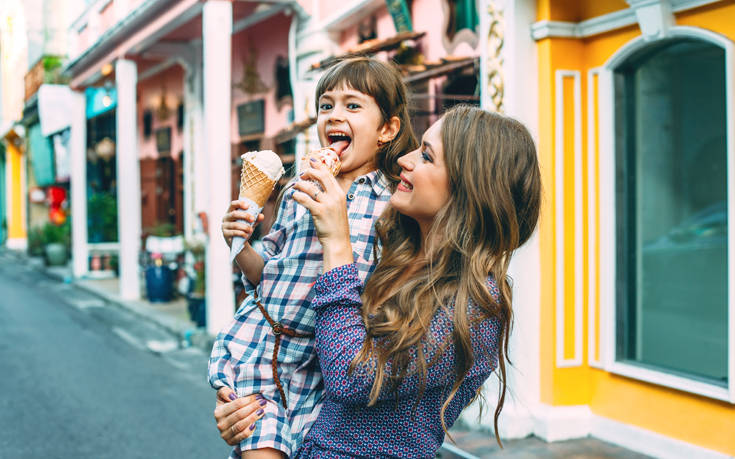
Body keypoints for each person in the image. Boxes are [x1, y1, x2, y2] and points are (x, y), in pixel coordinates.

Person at [215, 104, 541, 456]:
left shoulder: (476, 305)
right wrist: (250, 405)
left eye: (427, 156)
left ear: (470, 189)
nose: (405, 159)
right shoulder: (395, 256)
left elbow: (351, 377)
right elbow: (315, 356)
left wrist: (337, 242)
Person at [209, 57, 417, 459]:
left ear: (387, 130)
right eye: (326, 106)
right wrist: (240, 244)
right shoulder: (295, 192)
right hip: (264, 344)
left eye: (353, 106)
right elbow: (263, 274)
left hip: (324, 364)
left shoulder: (392, 204)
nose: (335, 115)